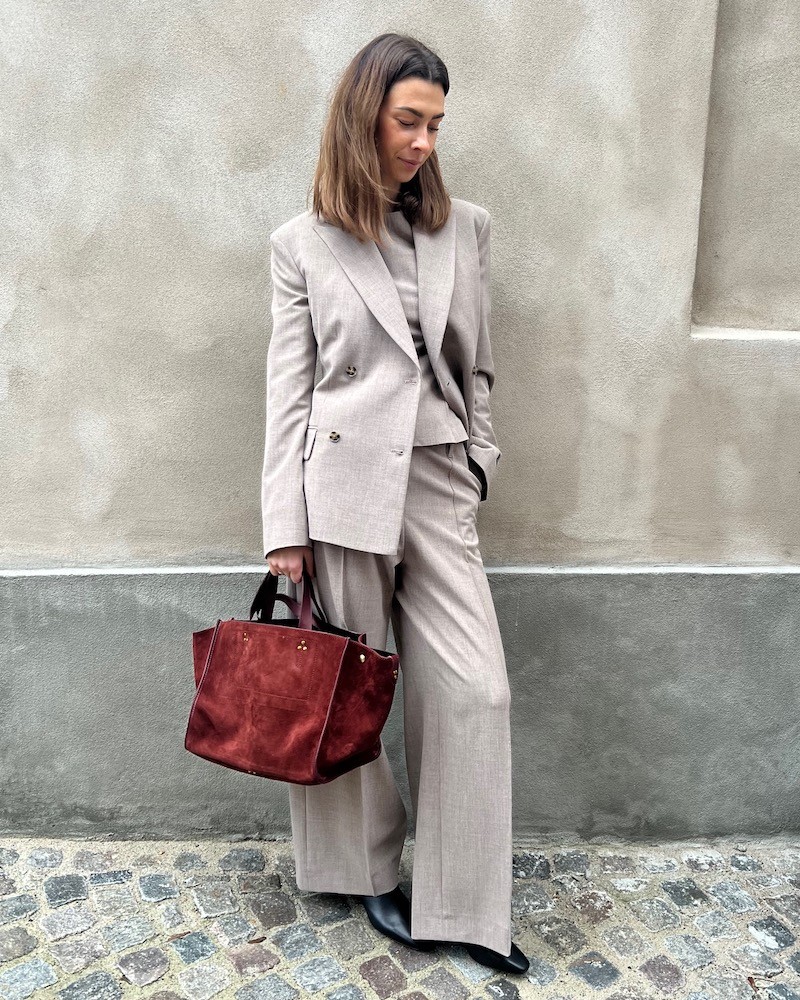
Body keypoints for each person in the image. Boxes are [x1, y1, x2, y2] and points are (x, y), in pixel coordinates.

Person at [261, 32, 529, 975]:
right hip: (339, 489)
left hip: (440, 478)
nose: (423, 142)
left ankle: (465, 902)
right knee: (347, 691)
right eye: (408, 120)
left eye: (436, 125)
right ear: (363, 116)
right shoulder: (302, 244)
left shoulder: (466, 227)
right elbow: (289, 395)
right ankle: (363, 870)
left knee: (477, 690)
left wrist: (479, 455)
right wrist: (283, 530)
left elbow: (477, 363)